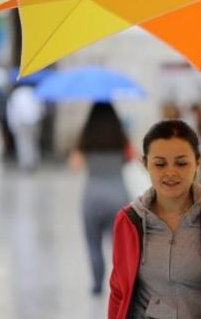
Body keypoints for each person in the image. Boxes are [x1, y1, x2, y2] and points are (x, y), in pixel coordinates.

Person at [109, 119, 201, 319]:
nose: (171, 172)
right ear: (145, 164)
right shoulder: (128, 220)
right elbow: (119, 292)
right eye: (160, 164)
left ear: (198, 162)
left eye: (181, 163)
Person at [69, 103, 131, 295]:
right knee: (119, 247)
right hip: (118, 197)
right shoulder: (121, 136)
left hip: (92, 198)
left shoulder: (86, 137)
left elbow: (74, 165)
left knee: (93, 244)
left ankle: (97, 284)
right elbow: (134, 157)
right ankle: (121, 283)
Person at [6, 84, 43, 171]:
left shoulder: (16, 94)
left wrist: (13, 125)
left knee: (23, 143)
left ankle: (26, 163)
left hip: (22, 121)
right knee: (33, 142)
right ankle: (33, 162)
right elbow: (41, 108)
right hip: (34, 120)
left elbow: (12, 111)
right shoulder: (34, 92)